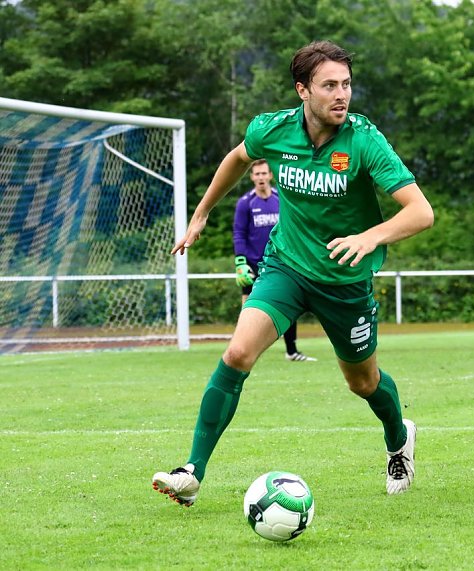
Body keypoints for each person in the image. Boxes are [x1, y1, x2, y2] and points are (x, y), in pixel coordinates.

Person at [153, 40, 434, 506]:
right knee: (238, 353)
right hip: (286, 266)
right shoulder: (273, 130)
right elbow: (238, 157)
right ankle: (192, 471)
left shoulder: (364, 140)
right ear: (303, 90)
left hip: (345, 280)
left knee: (363, 383)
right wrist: (202, 212)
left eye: (346, 84)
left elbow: (421, 212)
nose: (341, 94)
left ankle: (398, 436)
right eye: (329, 85)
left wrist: (371, 237)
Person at [234, 158, 315, 362]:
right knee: (248, 306)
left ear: (270, 175)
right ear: (252, 177)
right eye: (257, 174)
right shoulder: (245, 203)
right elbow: (239, 233)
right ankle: (240, 350)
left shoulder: (281, 199)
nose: (261, 177)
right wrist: (240, 262)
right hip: (253, 264)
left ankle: (292, 351)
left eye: (264, 173)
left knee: (290, 303)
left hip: (280, 262)